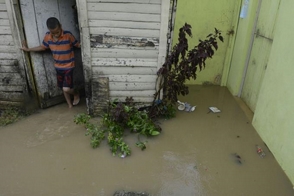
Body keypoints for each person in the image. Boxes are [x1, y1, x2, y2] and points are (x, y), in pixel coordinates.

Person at [21, 17, 80, 108]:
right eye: (53, 33)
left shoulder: (68, 35)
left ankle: (76, 94)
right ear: (49, 30)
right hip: (58, 67)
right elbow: (43, 47)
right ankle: (69, 106)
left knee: (66, 88)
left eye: (57, 32)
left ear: (60, 26)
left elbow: (78, 44)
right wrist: (28, 49)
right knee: (62, 88)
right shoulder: (48, 36)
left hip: (69, 66)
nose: (56, 35)